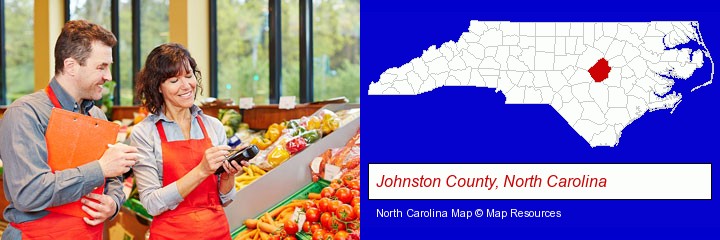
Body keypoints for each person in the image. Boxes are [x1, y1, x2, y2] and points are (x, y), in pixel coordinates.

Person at [0, 20, 139, 239]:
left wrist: (113, 203)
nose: (109, 76)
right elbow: (29, 193)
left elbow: (113, 179)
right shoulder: (25, 113)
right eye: (101, 67)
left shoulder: (98, 116)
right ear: (71, 66)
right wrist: (99, 169)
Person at [130, 43, 245, 240]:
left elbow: (225, 199)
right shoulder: (144, 133)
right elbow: (151, 204)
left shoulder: (213, 126)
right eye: (174, 80)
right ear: (158, 86)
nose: (186, 86)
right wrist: (201, 171)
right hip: (171, 234)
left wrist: (228, 176)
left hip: (216, 231)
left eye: (189, 75)